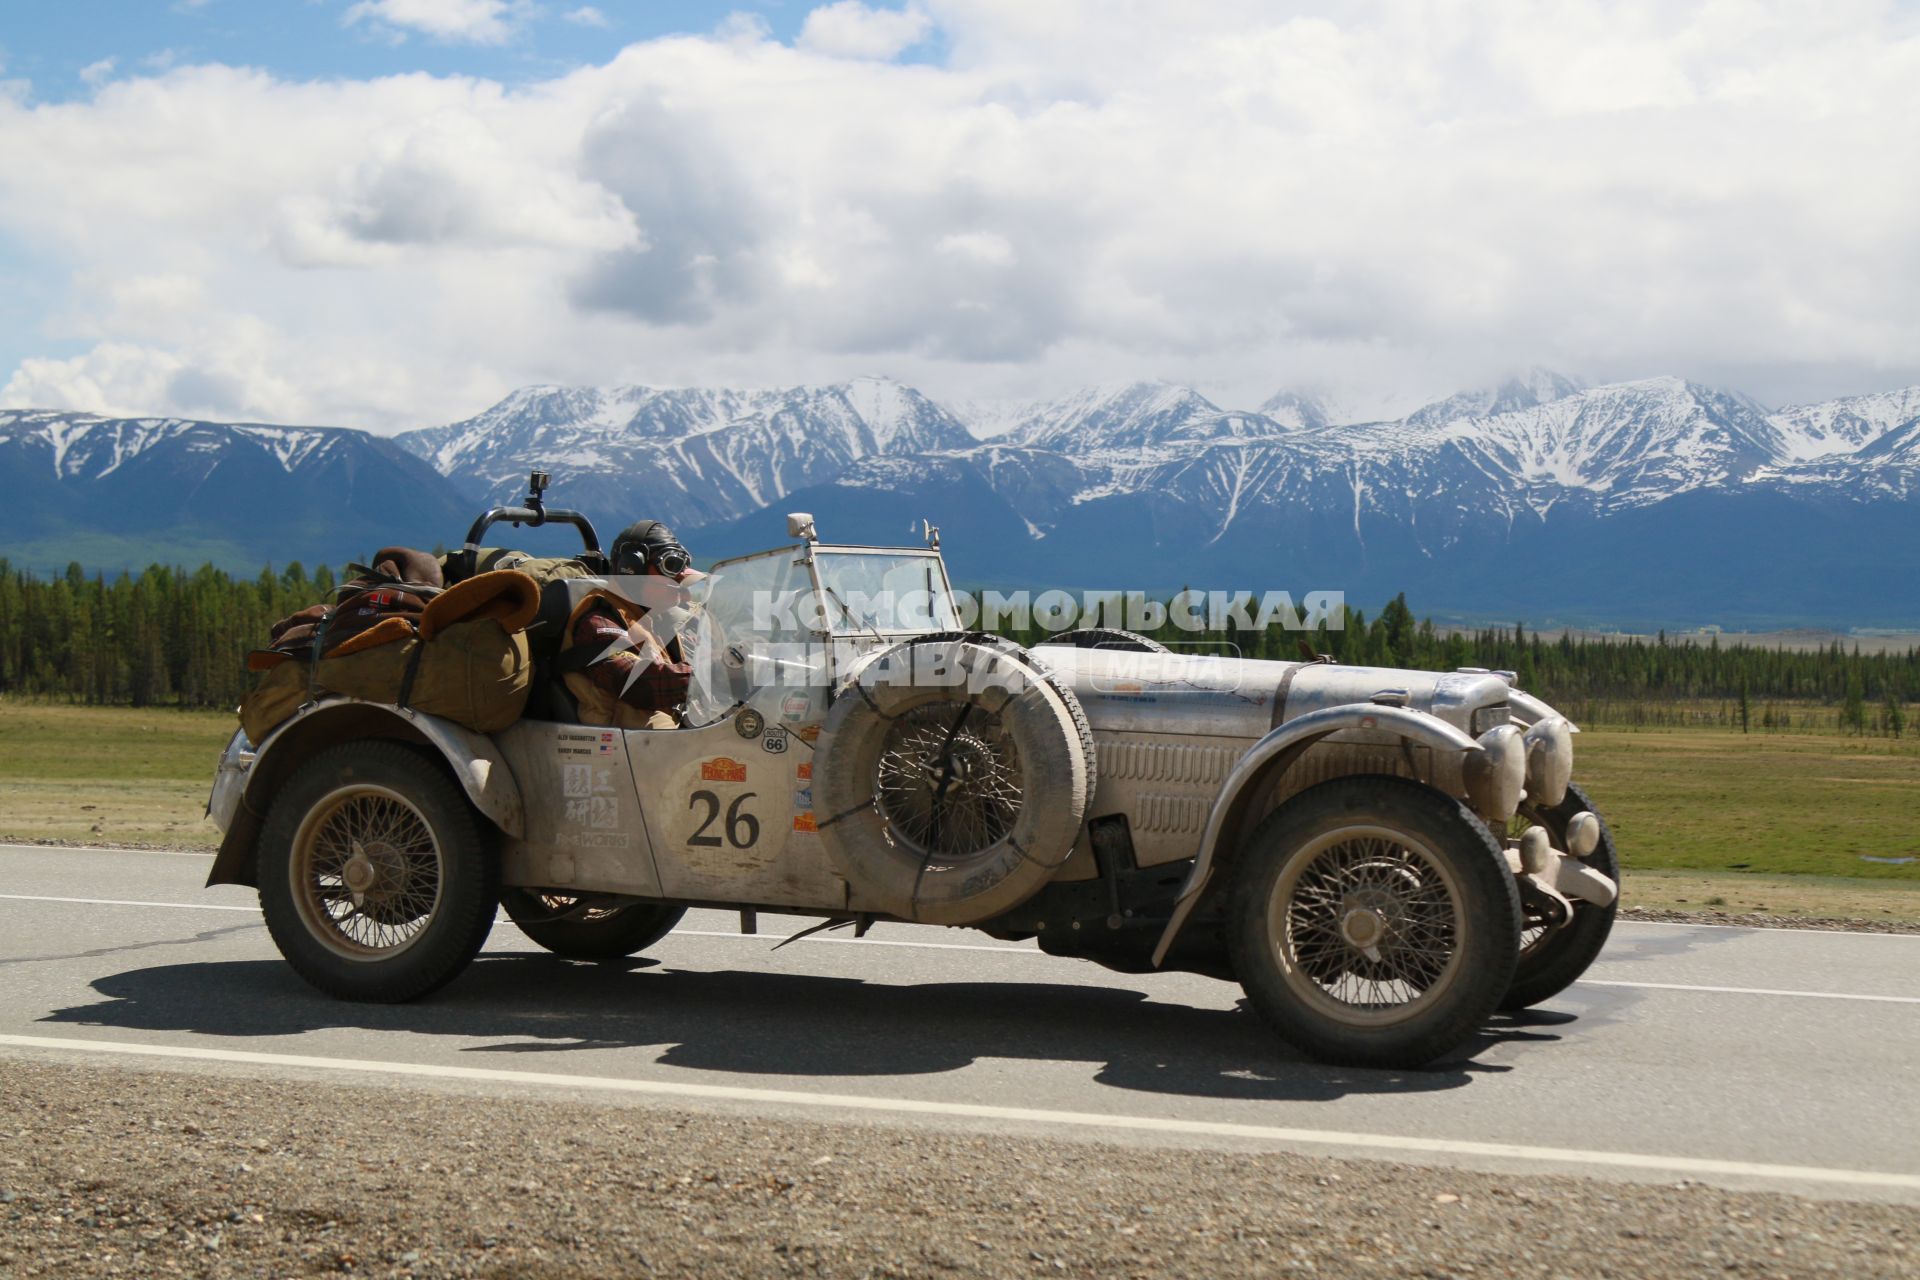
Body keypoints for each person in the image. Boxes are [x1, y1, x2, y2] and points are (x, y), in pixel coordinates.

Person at [556, 520, 704, 729]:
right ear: (631, 569)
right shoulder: (597, 623)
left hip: (666, 741)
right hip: (617, 750)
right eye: (669, 568)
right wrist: (705, 675)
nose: (679, 580)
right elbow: (636, 682)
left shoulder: (657, 619)